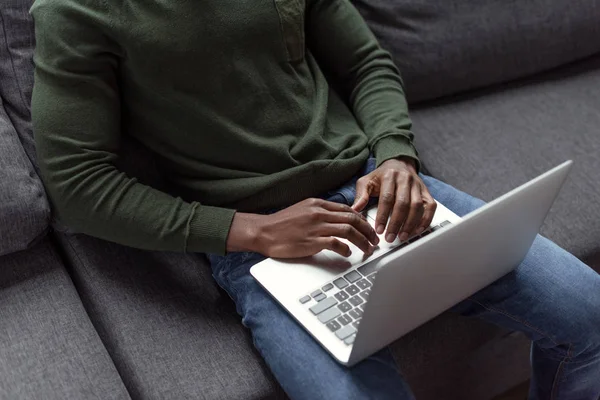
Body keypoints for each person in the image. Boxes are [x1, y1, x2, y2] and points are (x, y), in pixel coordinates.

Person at [31, 0, 600, 398]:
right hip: (261, 241)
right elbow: (78, 187)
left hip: (372, 189)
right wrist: (253, 232)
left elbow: (365, 63)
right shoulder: (74, 11)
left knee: (590, 318)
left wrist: (398, 154)